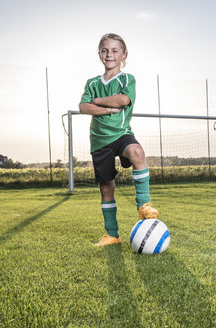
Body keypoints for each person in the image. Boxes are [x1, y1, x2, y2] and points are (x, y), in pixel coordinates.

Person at [79, 33, 158, 247]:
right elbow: (83, 107)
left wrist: (97, 101)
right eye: (105, 50)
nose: (109, 54)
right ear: (99, 54)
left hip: (121, 133)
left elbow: (123, 99)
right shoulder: (92, 82)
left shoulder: (127, 79)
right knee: (106, 187)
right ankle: (112, 234)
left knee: (137, 152)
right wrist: (107, 110)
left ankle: (143, 205)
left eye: (115, 50)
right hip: (99, 139)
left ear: (124, 55)